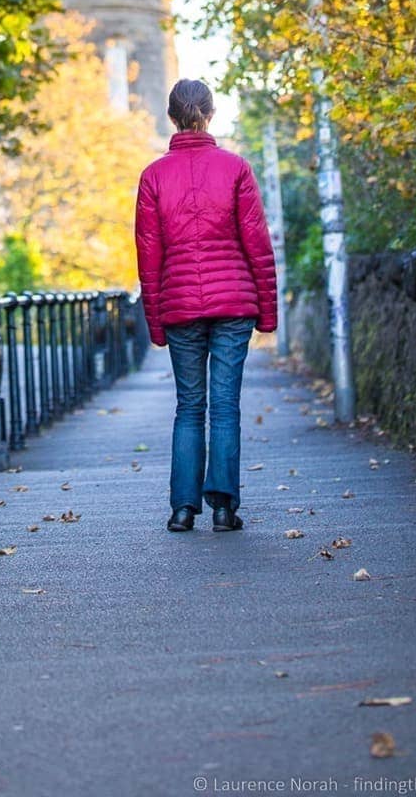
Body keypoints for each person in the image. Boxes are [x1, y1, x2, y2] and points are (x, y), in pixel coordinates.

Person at [134, 78, 277, 533]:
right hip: (234, 304)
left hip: (179, 306)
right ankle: (223, 508)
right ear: (210, 114)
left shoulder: (154, 176)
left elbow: (148, 254)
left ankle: (182, 509)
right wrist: (268, 311)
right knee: (225, 406)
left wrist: (155, 321)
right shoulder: (235, 169)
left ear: (172, 117)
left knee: (189, 407)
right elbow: (257, 244)